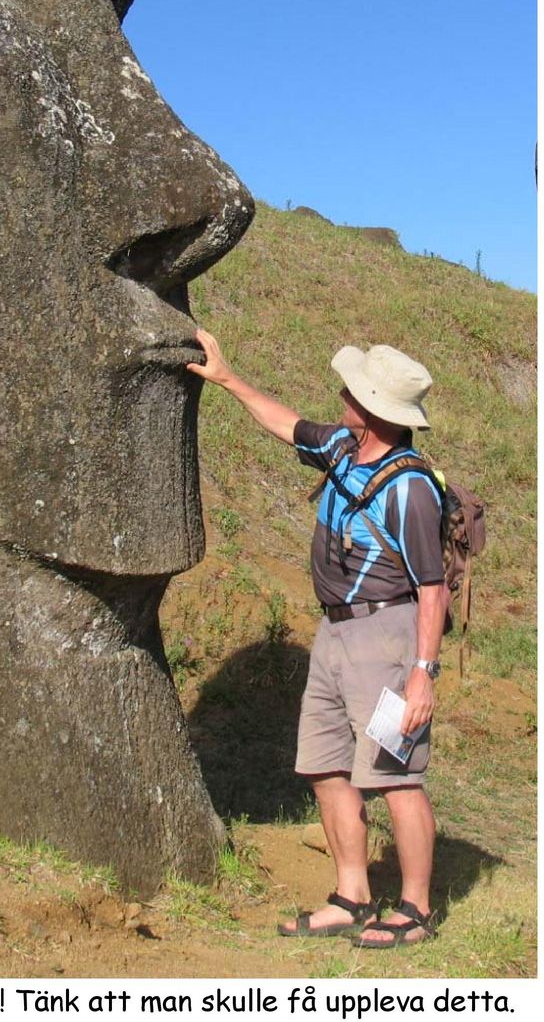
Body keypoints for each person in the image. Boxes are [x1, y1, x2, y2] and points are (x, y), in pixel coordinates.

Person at [188, 331, 446, 948]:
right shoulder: (340, 447)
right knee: (328, 769)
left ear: (377, 409)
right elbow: (287, 423)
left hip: (386, 638)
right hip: (332, 632)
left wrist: (421, 672)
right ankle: (351, 896)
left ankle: (416, 909)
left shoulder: (408, 487)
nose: (341, 397)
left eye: (353, 393)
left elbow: (432, 591)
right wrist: (226, 377)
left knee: (395, 775)